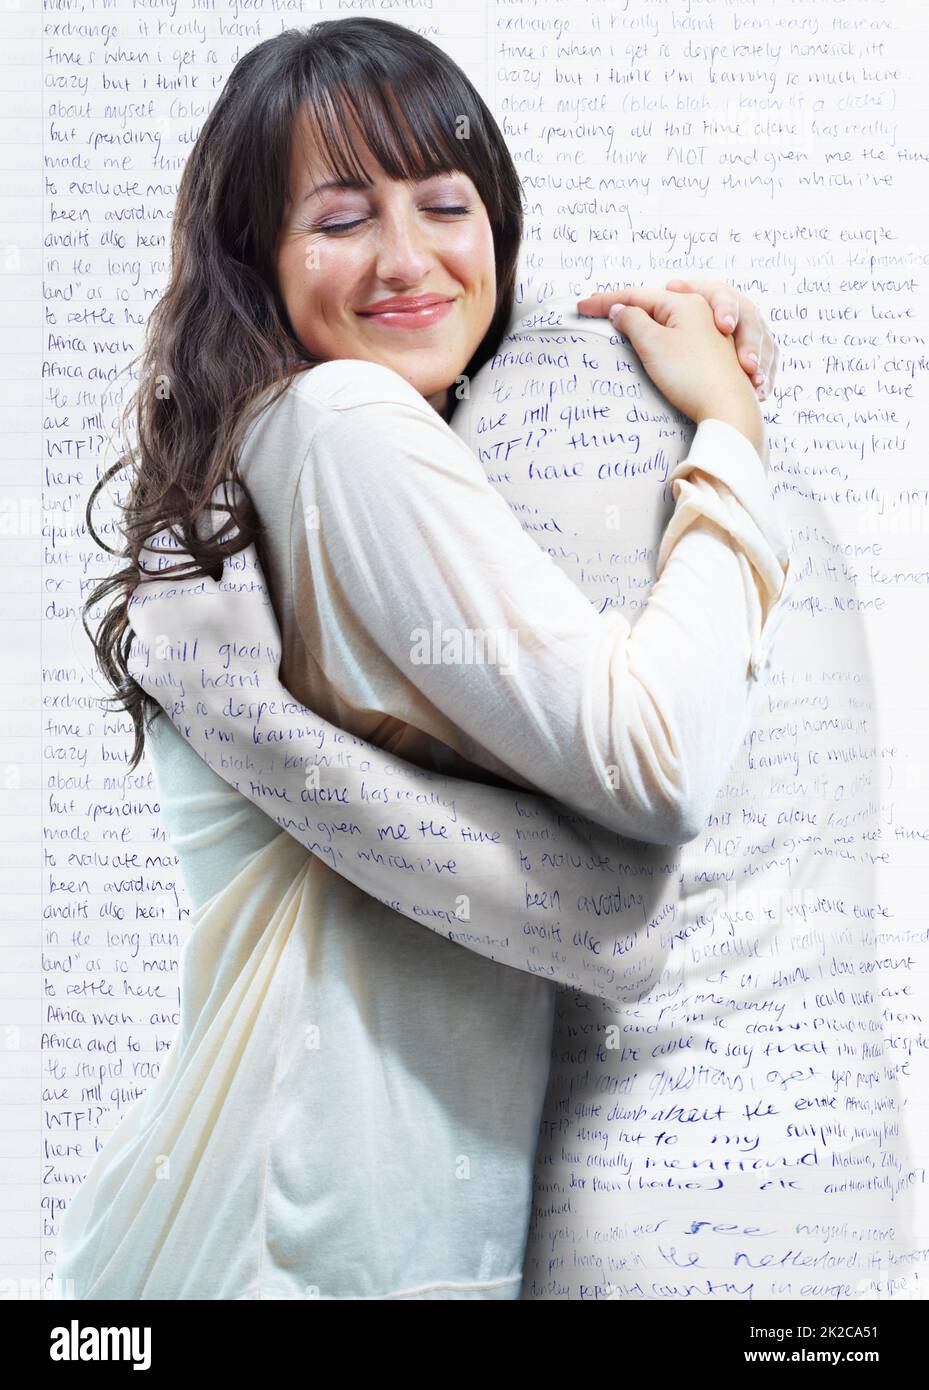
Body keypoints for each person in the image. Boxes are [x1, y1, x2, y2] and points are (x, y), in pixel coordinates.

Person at [58, 20, 789, 1300]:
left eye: (445, 204)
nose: (407, 258)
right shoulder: (346, 424)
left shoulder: (284, 454)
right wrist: (727, 435)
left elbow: (590, 906)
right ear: (258, 258)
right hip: (304, 1239)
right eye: (338, 219)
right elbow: (653, 762)